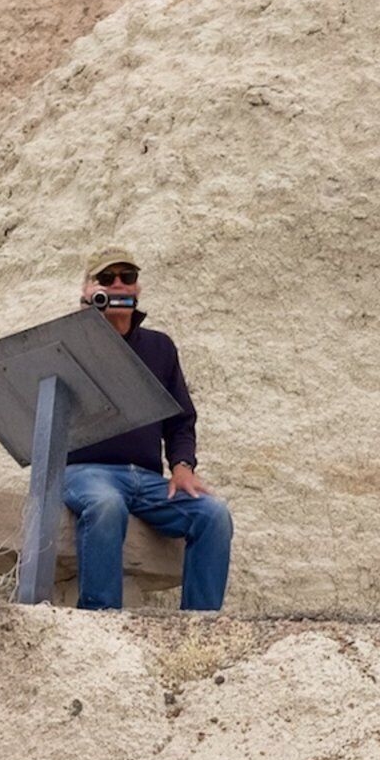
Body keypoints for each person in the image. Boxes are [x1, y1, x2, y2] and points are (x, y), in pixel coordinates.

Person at [57, 251, 234, 611]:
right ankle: (100, 623)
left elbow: (181, 419)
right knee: (106, 505)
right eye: (107, 279)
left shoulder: (160, 347)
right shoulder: (69, 341)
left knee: (213, 513)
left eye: (127, 276)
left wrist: (183, 466)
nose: (118, 284)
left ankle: (198, 630)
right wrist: (85, 321)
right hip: (87, 474)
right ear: (89, 289)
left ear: (138, 287)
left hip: (148, 480)